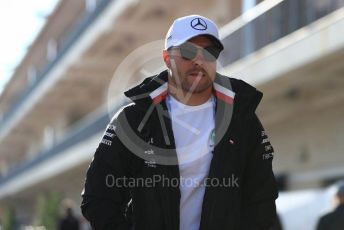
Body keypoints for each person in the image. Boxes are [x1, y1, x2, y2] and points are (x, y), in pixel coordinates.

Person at [81, 14, 278, 229]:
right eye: (187, 51)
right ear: (167, 58)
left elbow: (261, 201)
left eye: (209, 52)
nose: (198, 61)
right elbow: (98, 196)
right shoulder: (134, 119)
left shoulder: (241, 118)